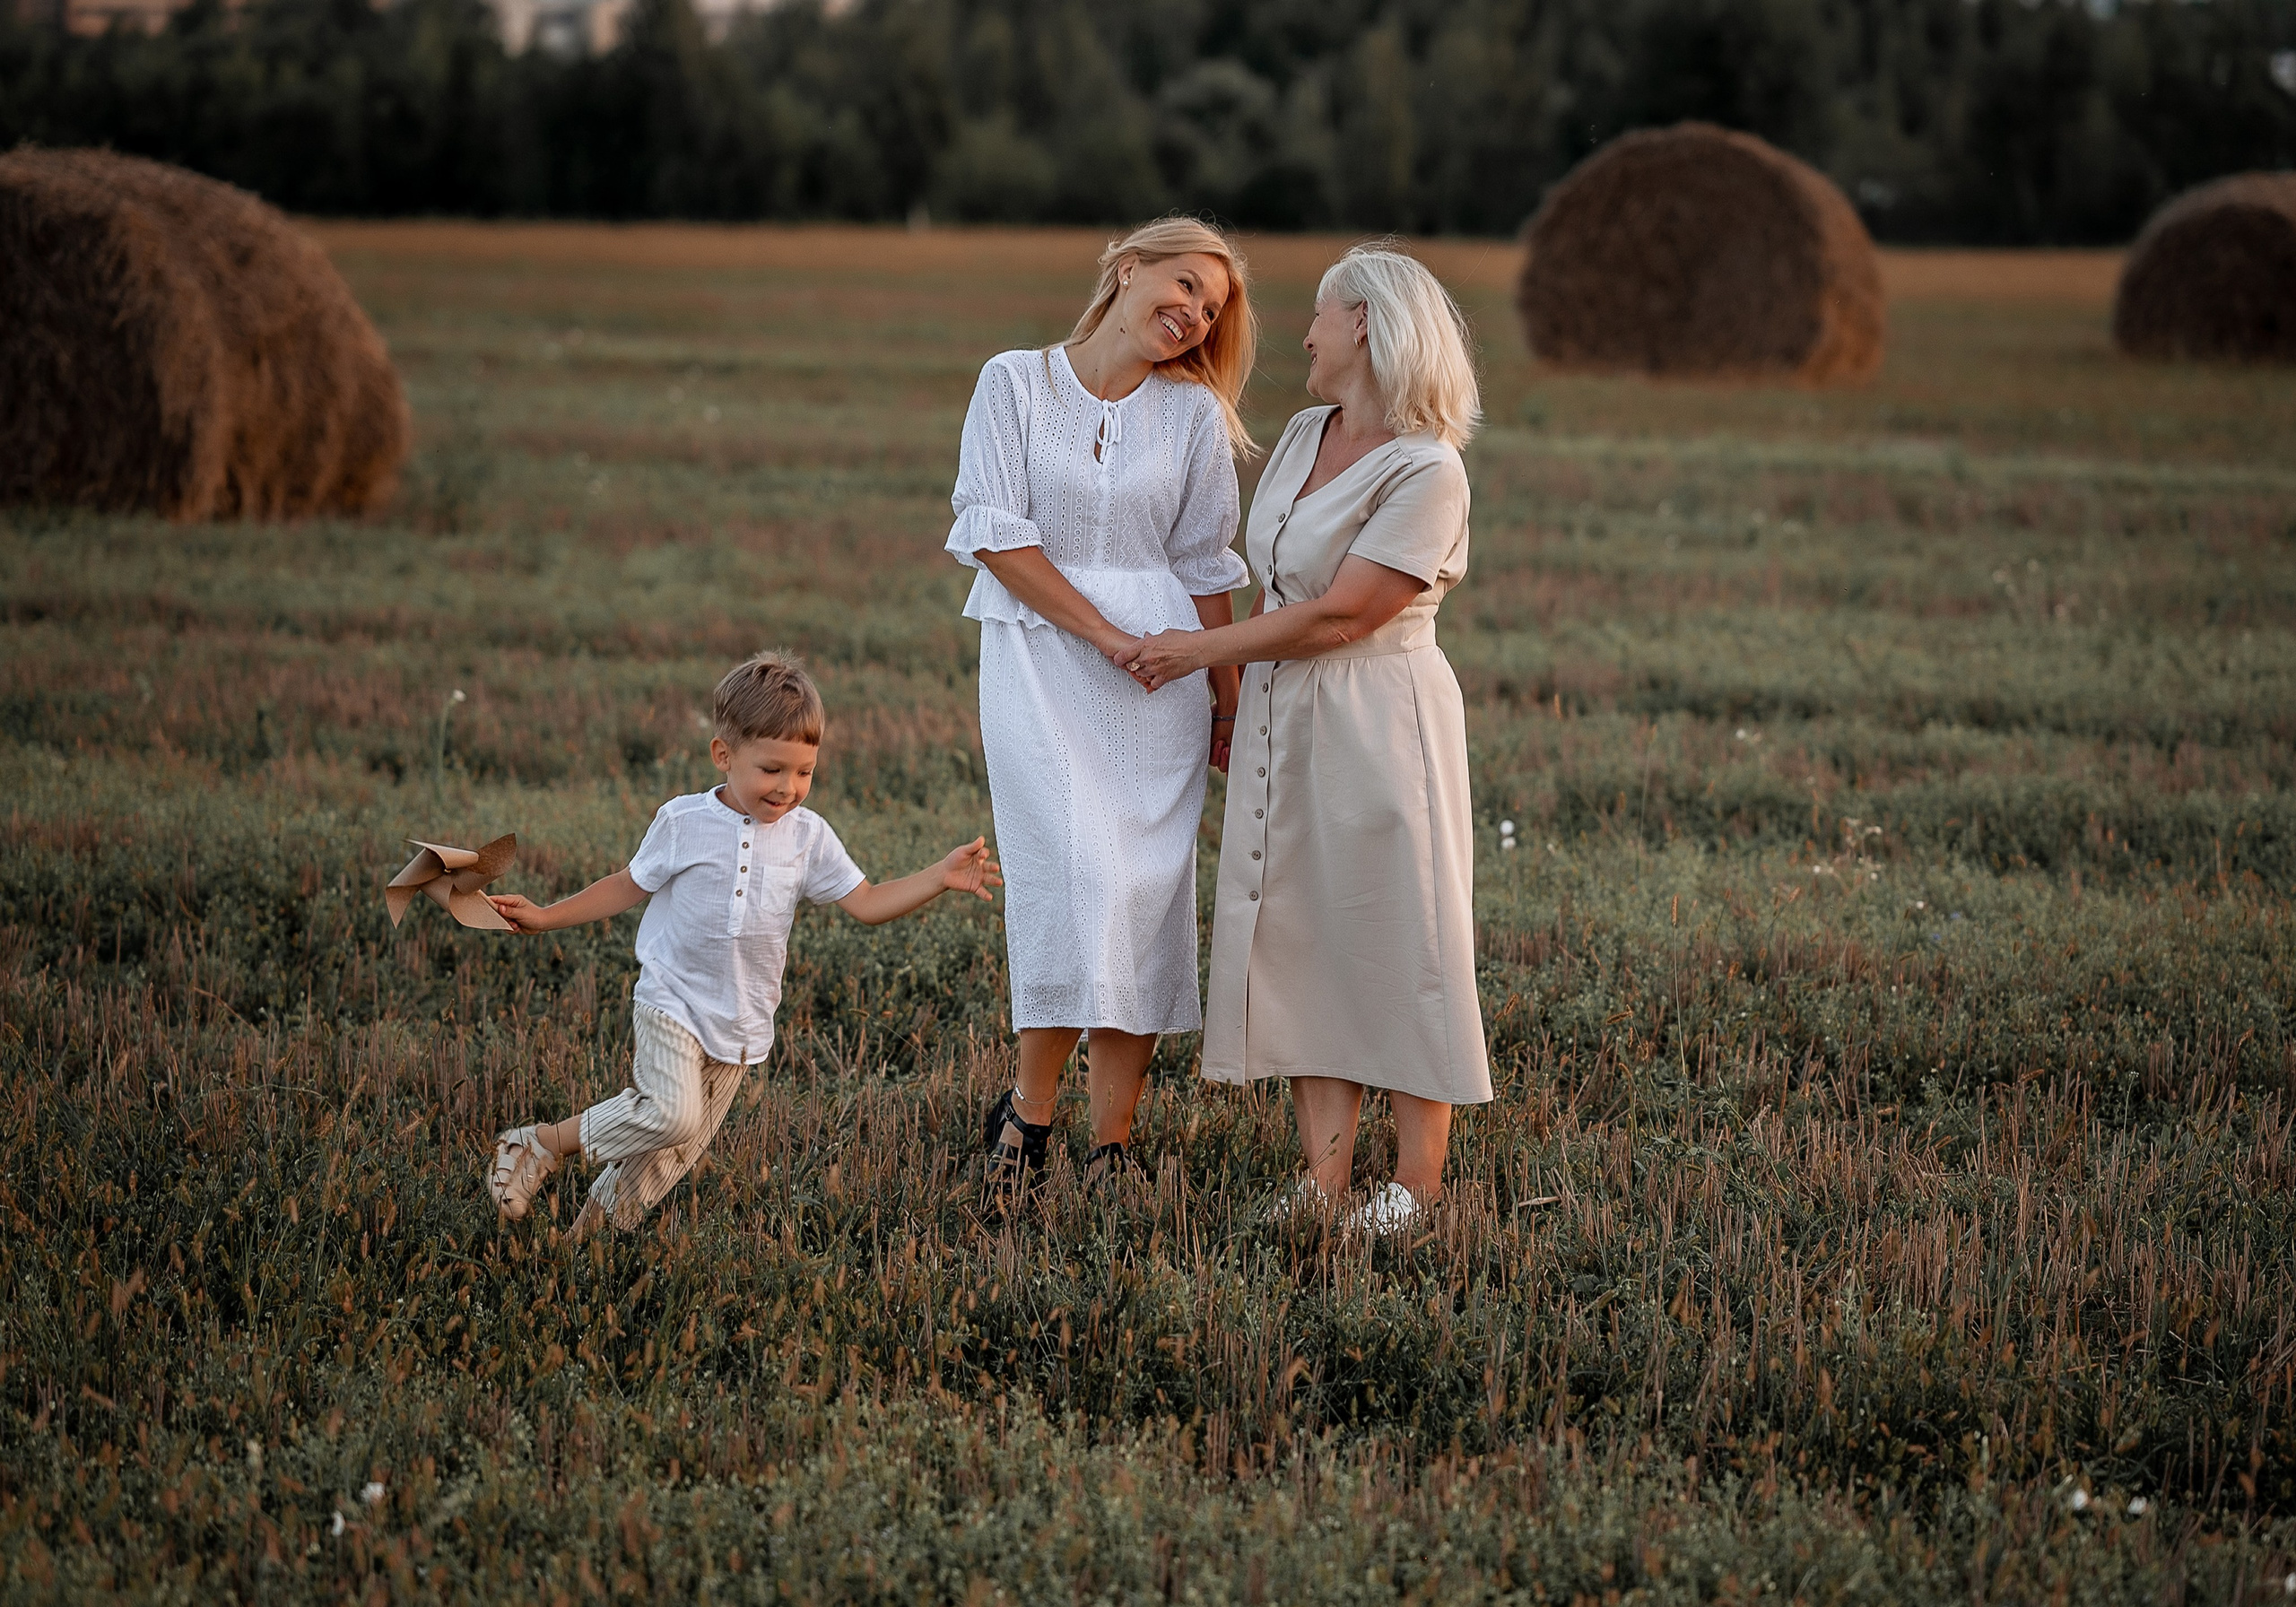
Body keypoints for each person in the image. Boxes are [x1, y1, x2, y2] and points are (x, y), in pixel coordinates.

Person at [1121, 245, 1491, 1234]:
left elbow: (1345, 613)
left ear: (1365, 323)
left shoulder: (1428, 469)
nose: (1308, 333)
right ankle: (1322, 1176)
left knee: (1401, 931)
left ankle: (1416, 1183)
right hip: (1287, 709)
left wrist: (1195, 650)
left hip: (1382, 716)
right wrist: (1231, 698)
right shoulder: (1300, 432)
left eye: (1323, 316)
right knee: (1303, 929)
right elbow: (1270, 582)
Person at [482, 651, 1001, 1236]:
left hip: (741, 1025)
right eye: (772, 769)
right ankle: (537, 1144)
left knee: (668, 1157)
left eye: (804, 771)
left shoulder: (809, 838)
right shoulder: (684, 822)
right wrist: (547, 916)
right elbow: (627, 886)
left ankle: (581, 1251)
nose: (789, 788)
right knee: (671, 1115)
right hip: (672, 999)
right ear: (723, 755)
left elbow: (868, 903)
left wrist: (938, 876)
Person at [946, 217, 1257, 1190]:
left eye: (1210, 308)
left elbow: (1206, 562)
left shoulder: (1195, 416)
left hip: (1162, 676)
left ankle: (1112, 1143)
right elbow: (996, 535)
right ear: (1127, 270)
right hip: (1043, 662)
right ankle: (1029, 1116)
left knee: (1141, 895)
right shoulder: (1013, 382)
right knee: (1072, 879)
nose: (1193, 313)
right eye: (1182, 285)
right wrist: (1104, 633)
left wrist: (1224, 695)